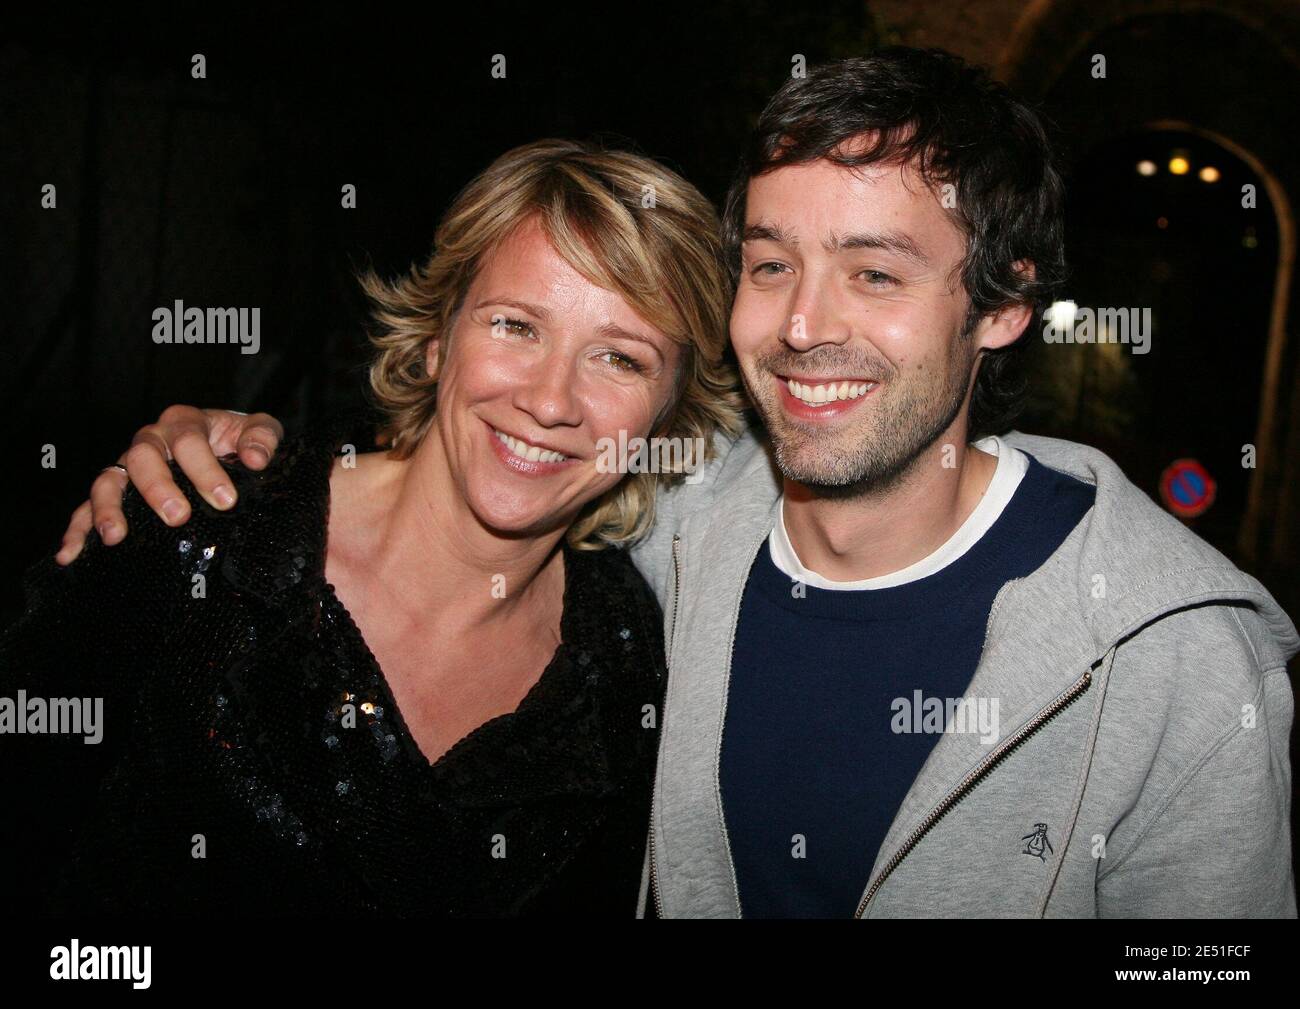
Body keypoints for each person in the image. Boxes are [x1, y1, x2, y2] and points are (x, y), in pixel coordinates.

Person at [57, 49, 1297, 918]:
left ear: (1004, 308)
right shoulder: (674, 548)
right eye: (769, 264)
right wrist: (217, 442)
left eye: (874, 274)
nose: (806, 323)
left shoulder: (1170, 652)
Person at [2, 138, 746, 915]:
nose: (552, 400)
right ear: (436, 339)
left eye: (620, 359)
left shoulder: (629, 676)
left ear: (669, 416)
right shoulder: (197, 536)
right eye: (516, 326)